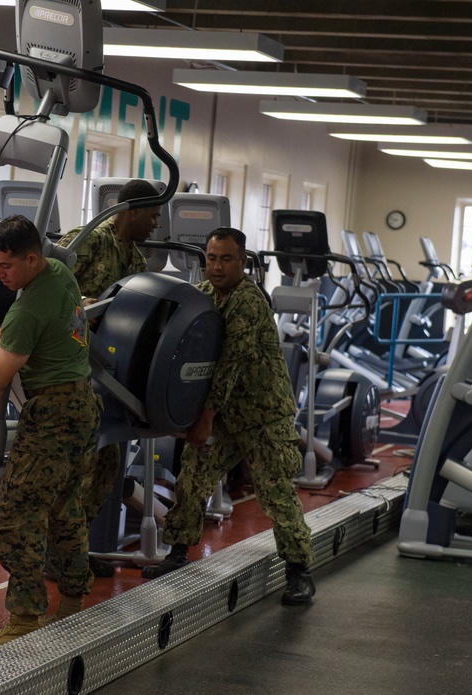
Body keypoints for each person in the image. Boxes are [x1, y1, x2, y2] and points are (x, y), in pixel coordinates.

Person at [0, 214, 101, 654]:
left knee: (14, 519)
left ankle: (26, 618)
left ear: (31, 258)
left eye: (5, 266)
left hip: (52, 415)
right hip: (83, 405)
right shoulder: (60, 274)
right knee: (64, 508)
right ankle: (71, 598)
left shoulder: (26, 309)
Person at [141, 227, 316, 606]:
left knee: (276, 495)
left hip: (262, 416)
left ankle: (299, 571)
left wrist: (202, 418)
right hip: (222, 415)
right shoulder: (201, 297)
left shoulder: (248, 301)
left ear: (242, 262)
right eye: (211, 258)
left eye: (225, 259)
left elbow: (228, 365)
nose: (216, 267)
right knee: (192, 480)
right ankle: (177, 554)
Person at [57, 178, 161, 577]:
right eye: (151, 216)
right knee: (77, 468)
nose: (155, 225)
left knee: (106, 468)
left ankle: (75, 549)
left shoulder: (133, 259)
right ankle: (61, 555)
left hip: (103, 375)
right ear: (130, 212)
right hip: (70, 371)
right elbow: (47, 287)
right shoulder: (87, 241)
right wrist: (78, 304)